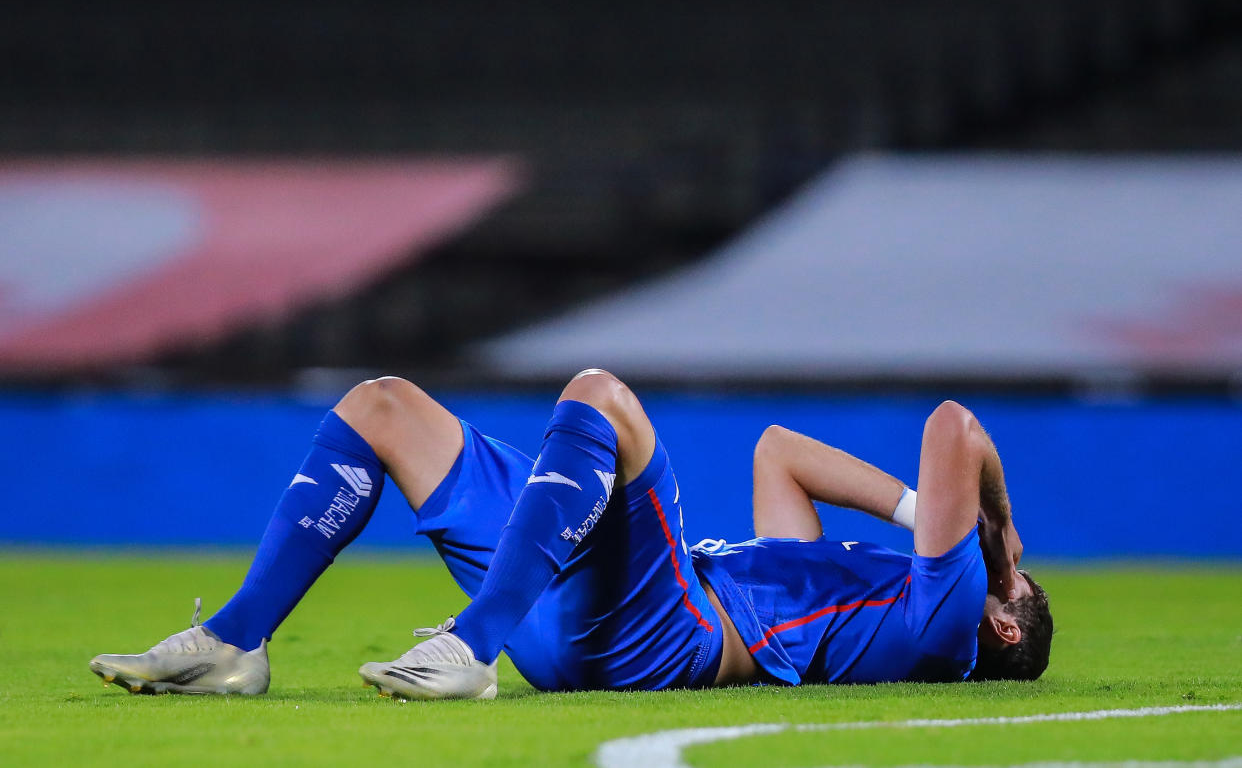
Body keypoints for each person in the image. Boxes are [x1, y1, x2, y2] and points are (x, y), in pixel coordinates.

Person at [89, 370, 1052, 698]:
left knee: (600, 396)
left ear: (1001, 623)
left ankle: (471, 644)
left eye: (1016, 585)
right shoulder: (849, 595)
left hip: (665, 634)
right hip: (592, 606)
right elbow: (779, 453)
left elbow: (953, 428)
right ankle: (235, 643)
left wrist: (998, 538)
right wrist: (907, 516)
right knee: (381, 406)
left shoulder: (947, 620)